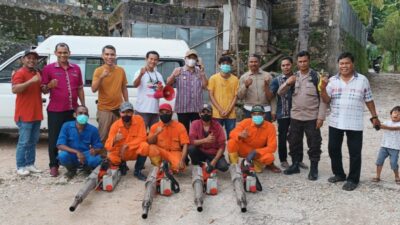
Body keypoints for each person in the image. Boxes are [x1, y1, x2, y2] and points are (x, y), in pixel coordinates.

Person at [320, 52, 381, 190]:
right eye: (341, 63)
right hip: (336, 121)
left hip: (354, 122)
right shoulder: (332, 80)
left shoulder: (362, 80)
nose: (344, 66)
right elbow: (326, 100)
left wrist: (374, 116)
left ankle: (353, 179)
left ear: (353, 64)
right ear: (338, 65)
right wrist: (323, 89)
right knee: (333, 149)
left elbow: (369, 99)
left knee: (354, 152)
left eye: (347, 63)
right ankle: (339, 174)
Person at [279, 51, 327, 180]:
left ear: (309, 61)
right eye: (300, 62)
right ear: (297, 63)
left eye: (305, 61)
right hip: (296, 117)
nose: (302, 64)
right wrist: (288, 83)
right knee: (294, 142)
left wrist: (321, 117)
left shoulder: (316, 76)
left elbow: (323, 99)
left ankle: (314, 168)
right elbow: (280, 92)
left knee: (314, 143)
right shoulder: (294, 77)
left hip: (312, 117)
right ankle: (295, 164)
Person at [41, 43, 85, 177]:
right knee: (54, 139)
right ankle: (54, 165)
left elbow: (79, 88)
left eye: (65, 52)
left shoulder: (76, 68)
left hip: (73, 109)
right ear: (55, 53)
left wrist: (82, 106)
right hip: (56, 110)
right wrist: (49, 85)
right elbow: (43, 90)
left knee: (73, 137)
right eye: (60, 52)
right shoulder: (48, 69)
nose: (62, 55)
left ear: (69, 53)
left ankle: (73, 163)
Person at [132, 50, 165, 178]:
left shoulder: (158, 75)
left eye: (155, 59)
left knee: (154, 139)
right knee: (140, 140)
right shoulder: (140, 71)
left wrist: (161, 90)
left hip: (155, 112)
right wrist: (140, 75)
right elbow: (135, 84)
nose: (153, 61)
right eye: (150, 59)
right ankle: (138, 169)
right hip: (142, 111)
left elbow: (161, 93)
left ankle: (155, 164)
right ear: (146, 59)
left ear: (157, 61)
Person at [269, 57, 306, 169]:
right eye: (283, 65)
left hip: (298, 113)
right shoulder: (277, 80)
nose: (286, 67)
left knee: (297, 136)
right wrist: (274, 111)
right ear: (281, 67)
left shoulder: (299, 77)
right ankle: (283, 159)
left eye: (288, 65)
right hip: (283, 113)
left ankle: (298, 159)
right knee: (283, 137)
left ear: (292, 65)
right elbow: (272, 97)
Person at [12, 50, 43, 176]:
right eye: (28, 58)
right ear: (23, 59)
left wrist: (47, 87)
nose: (32, 60)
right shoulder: (20, 73)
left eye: (34, 58)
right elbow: (15, 89)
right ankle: (20, 166)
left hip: (36, 113)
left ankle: (30, 164)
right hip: (24, 115)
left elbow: (39, 89)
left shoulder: (36, 73)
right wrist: (31, 81)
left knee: (33, 141)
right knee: (23, 142)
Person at [92, 45, 128, 143]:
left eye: (112, 54)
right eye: (107, 54)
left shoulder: (121, 70)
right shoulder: (98, 71)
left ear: (115, 56)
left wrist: (126, 104)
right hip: (104, 109)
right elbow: (93, 89)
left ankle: (116, 157)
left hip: (118, 109)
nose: (110, 57)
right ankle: (102, 157)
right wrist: (102, 77)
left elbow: (124, 88)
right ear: (102, 56)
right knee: (103, 136)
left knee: (119, 135)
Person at [166, 49, 208, 134]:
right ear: (185, 58)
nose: (191, 60)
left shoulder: (200, 72)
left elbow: (205, 86)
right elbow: (168, 83)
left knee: (196, 132)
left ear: (197, 60)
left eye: (194, 58)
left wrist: (203, 73)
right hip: (182, 108)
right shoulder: (178, 70)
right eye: (189, 57)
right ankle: (184, 147)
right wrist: (174, 76)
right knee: (183, 132)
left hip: (196, 109)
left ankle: (194, 147)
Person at [104, 102, 149, 180]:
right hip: (121, 153)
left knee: (145, 146)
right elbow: (107, 146)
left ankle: (138, 171)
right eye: (123, 112)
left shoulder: (139, 119)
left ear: (132, 112)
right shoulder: (115, 126)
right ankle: (122, 164)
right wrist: (114, 139)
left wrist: (127, 145)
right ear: (120, 113)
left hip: (133, 151)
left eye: (128, 112)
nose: (126, 114)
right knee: (111, 157)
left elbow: (143, 137)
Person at [57, 105, 104, 179]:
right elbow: (60, 145)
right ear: (75, 115)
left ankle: (86, 168)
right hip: (71, 154)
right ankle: (71, 170)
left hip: (86, 154)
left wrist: (94, 150)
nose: (83, 115)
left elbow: (98, 146)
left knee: (96, 159)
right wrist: (77, 152)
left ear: (88, 116)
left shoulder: (93, 129)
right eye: (80, 113)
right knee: (62, 155)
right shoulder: (66, 126)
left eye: (85, 114)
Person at [227, 105, 277, 173]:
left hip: (257, 152)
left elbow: (272, 147)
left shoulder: (270, 127)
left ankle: (253, 163)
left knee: (270, 158)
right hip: (245, 149)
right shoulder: (245, 122)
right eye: (254, 114)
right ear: (251, 115)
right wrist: (239, 135)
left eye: (259, 114)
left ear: (264, 115)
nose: (257, 116)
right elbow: (232, 134)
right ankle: (234, 167)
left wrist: (256, 151)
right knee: (231, 142)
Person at [143, 103, 190, 172]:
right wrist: (156, 133)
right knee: (151, 148)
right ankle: (159, 166)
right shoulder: (155, 126)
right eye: (162, 113)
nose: (165, 114)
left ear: (172, 113)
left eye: (167, 112)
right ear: (159, 114)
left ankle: (169, 167)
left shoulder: (180, 126)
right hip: (161, 152)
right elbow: (149, 142)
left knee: (178, 167)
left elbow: (185, 144)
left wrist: (183, 160)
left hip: (174, 153)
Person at [188, 104, 229, 172]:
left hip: (213, 153)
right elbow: (191, 141)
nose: (205, 114)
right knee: (191, 148)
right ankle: (198, 163)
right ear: (199, 114)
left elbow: (222, 145)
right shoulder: (195, 124)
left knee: (224, 167)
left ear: (212, 114)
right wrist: (205, 140)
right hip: (201, 152)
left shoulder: (217, 126)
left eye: (208, 112)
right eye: (203, 112)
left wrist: (215, 161)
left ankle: (209, 163)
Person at [238, 54, 276, 121]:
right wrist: (246, 86)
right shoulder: (244, 77)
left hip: (265, 109)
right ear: (248, 63)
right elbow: (240, 96)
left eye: (255, 62)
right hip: (249, 110)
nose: (253, 64)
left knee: (265, 130)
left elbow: (273, 96)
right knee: (250, 131)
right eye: (251, 62)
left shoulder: (268, 76)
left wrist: (273, 111)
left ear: (259, 63)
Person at [208, 56, 239, 138]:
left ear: (231, 65)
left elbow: (236, 96)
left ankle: (231, 151)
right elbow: (211, 95)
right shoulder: (213, 78)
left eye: (228, 64)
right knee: (215, 137)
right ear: (219, 65)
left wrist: (228, 110)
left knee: (232, 137)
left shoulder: (235, 79)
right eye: (223, 64)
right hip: (216, 114)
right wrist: (220, 110)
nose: (225, 65)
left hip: (231, 114)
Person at [371, 106, 400, 184]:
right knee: (379, 161)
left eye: (399, 114)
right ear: (391, 114)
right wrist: (375, 123)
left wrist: (382, 126)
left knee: (393, 163)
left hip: (395, 148)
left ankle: (397, 176)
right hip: (384, 146)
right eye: (395, 112)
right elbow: (378, 126)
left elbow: (394, 128)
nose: (396, 114)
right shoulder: (387, 122)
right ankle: (377, 176)